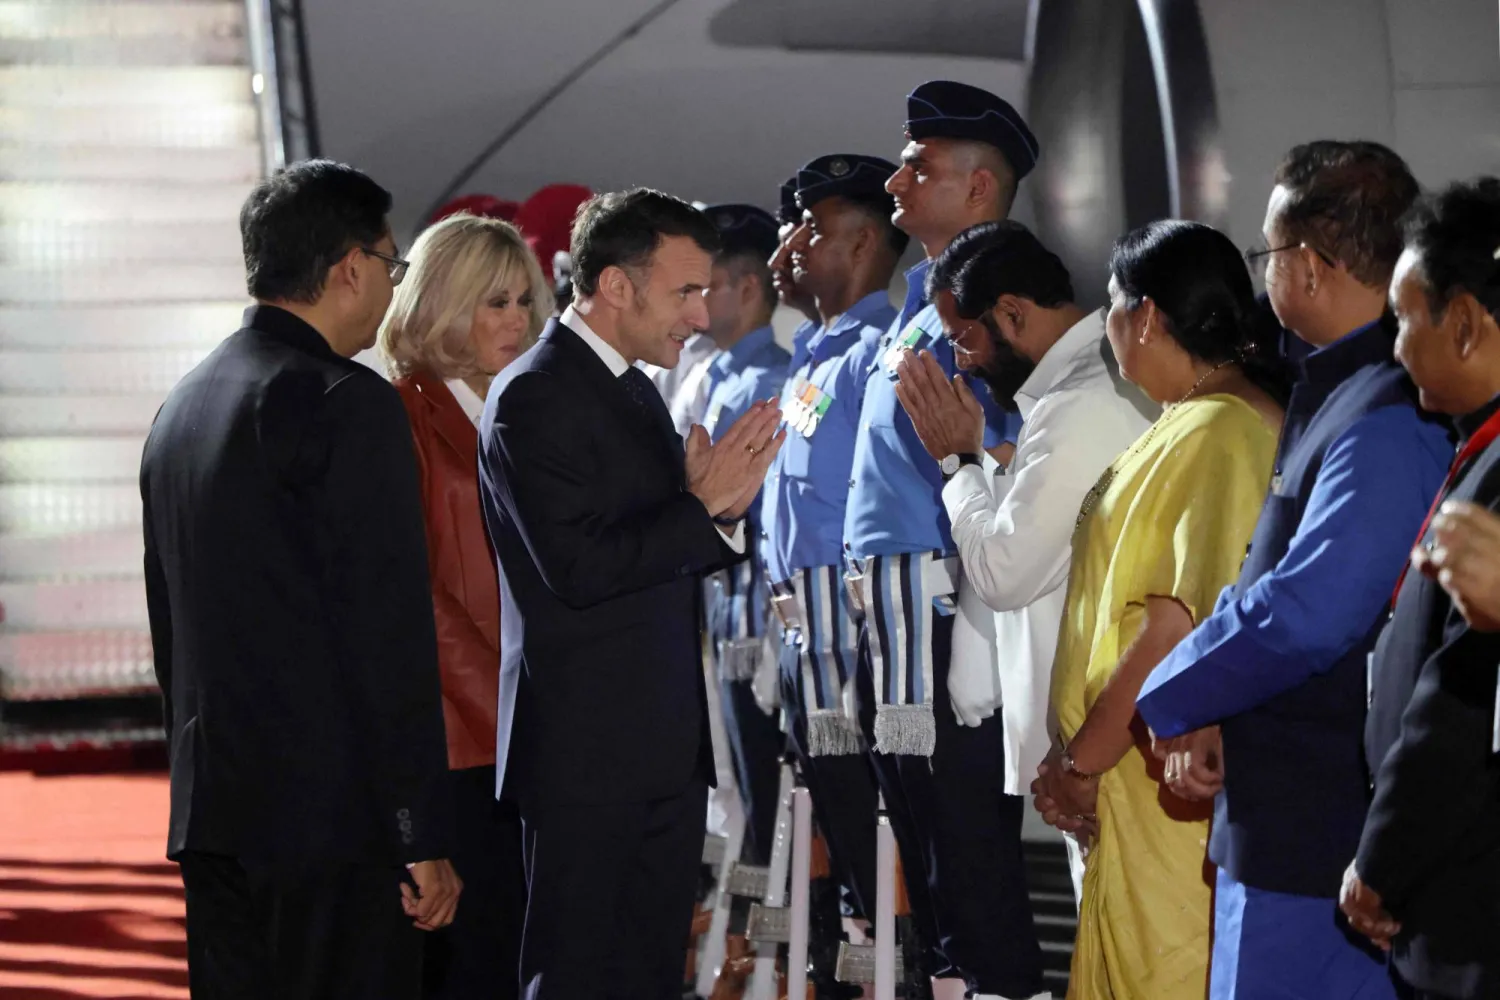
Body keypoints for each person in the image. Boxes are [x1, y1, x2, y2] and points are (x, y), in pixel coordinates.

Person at [1135, 142, 1450, 1000]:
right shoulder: (1339, 387)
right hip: (1285, 807)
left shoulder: (1387, 409)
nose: (1267, 274)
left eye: (1268, 254)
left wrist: (1174, 691)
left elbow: (1312, 609)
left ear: (1308, 267)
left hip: (1320, 832)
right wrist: (1216, 710)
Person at [139, 159, 460, 999]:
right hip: (332, 830)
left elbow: (170, 631)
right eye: (392, 266)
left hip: (214, 814)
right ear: (350, 266)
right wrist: (418, 828)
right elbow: (385, 631)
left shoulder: (184, 405)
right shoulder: (344, 402)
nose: (390, 289)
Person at [477, 188, 784, 999]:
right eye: (685, 290)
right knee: (579, 977)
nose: (701, 312)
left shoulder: (634, 386)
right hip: (585, 754)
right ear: (616, 285)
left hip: (657, 750)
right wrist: (702, 510)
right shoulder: (535, 393)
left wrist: (711, 516)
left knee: (648, 977)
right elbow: (576, 568)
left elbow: (659, 544)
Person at [1035, 220, 1286, 999]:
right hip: (1136, 786)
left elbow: (1176, 626)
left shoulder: (1219, 431)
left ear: (1145, 315)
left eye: (1110, 306)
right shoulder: (1190, 420)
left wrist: (1082, 761)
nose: (1108, 327)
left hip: (1160, 785)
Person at [841, 79, 1041, 1000]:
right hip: (889, 613)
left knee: (967, 847)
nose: (896, 179)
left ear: (978, 192)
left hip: (949, 607)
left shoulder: (995, 303)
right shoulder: (923, 307)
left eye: (919, 166)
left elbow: (1016, 454)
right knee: (925, 852)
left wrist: (976, 619)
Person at [892, 220, 1155, 901]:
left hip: (1109, 738)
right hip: (1106, 735)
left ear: (1012, 311)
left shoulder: (1082, 401)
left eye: (963, 337)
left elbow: (1005, 573)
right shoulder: (1079, 389)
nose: (964, 361)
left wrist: (957, 465)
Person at [378, 212, 551, 1000]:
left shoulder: (527, 409)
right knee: (475, 962)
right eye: (493, 302)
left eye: (522, 300)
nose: (515, 320)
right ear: (443, 304)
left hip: (529, 730)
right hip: (458, 740)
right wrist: (509, 698)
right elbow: (413, 599)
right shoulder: (399, 414)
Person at [1342, 177, 1500, 1000]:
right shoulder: (1479, 449)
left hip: (1472, 907)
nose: (1396, 346)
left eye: (1404, 318)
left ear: (1466, 323)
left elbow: (1459, 699)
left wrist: (1382, 861)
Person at [762, 153, 904, 942]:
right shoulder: (815, 352)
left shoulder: (875, 350)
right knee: (829, 821)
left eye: (812, 231)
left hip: (849, 637)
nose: (791, 248)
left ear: (858, 247)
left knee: (868, 824)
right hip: (800, 634)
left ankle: (902, 966)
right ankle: (858, 957)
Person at [695, 203, 790, 868]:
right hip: (720, 617)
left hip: (759, 624)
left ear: (748, 287)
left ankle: (793, 960)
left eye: (707, 285)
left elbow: (766, 511)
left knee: (775, 802)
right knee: (742, 799)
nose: (695, 302)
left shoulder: (771, 382)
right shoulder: (715, 374)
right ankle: (759, 958)